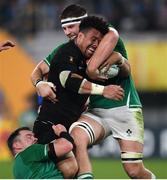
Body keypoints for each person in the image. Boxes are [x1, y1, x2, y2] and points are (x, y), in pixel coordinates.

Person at [31, 4, 155, 179]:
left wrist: (117, 59)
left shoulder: (108, 37)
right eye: (64, 28)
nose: (67, 32)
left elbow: (126, 67)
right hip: (97, 111)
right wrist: (38, 84)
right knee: (76, 135)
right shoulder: (70, 50)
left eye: (71, 27)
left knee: (134, 171)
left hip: (124, 107)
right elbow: (38, 70)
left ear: (84, 25)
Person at [7, 124, 75, 179]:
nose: (35, 139)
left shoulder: (16, 171)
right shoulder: (30, 151)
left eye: (34, 136)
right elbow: (67, 145)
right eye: (29, 137)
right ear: (17, 144)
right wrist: (62, 132)